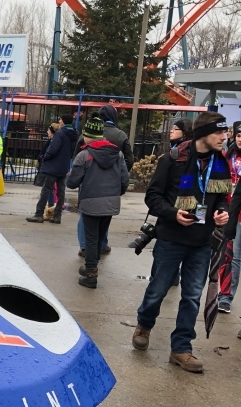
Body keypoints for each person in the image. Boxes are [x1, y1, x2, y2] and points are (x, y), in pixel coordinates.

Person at [131, 114, 231, 373]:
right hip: (171, 238)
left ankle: (181, 348)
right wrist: (172, 213)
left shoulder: (220, 163)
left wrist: (221, 211)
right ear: (204, 134)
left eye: (225, 133)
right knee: (157, 290)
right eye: (219, 133)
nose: (224, 137)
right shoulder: (173, 159)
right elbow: (152, 197)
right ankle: (144, 324)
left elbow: (222, 198)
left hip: (201, 242)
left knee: (192, 297)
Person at [66, 115, 129, 287]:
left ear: (88, 136)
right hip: (111, 202)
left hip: (91, 202)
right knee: (100, 238)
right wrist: (115, 194)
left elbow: (72, 183)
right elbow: (125, 180)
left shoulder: (84, 155)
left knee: (91, 239)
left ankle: (91, 274)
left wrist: (71, 176)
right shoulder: (118, 154)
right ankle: (89, 267)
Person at [27, 113, 77, 224]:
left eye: (60, 120)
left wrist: (45, 157)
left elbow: (53, 148)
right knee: (61, 191)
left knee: (46, 189)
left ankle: (39, 214)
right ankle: (57, 215)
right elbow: (72, 151)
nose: (59, 121)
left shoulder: (60, 133)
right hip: (63, 166)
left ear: (63, 121)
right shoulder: (74, 134)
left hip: (53, 166)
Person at [217, 121, 241, 313]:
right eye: (239, 135)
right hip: (231, 213)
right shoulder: (226, 156)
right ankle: (225, 296)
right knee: (230, 256)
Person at [98, 104, 134, 170]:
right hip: (114, 176)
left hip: (91, 177)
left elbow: (78, 158)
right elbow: (129, 160)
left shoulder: (88, 134)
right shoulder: (121, 135)